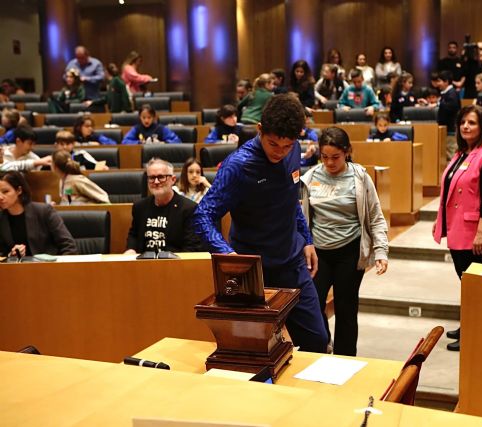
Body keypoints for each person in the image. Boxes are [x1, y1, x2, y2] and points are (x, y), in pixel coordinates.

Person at [193, 93, 328, 353]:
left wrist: (307, 239)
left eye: (287, 145)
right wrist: (228, 255)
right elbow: (203, 216)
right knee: (254, 351)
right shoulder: (238, 166)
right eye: (273, 144)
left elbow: (291, 198)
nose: (280, 152)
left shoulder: (293, 150)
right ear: (259, 130)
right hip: (251, 272)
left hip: (292, 263)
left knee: (317, 341)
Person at [300, 126, 388, 356]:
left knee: (346, 308)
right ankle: (323, 345)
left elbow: (376, 216)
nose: (330, 163)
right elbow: (301, 218)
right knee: (314, 303)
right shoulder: (309, 178)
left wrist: (381, 251)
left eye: (335, 157)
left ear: (347, 152)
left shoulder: (360, 178)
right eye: (325, 157)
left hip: (349, 251)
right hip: (318, 253)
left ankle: (345, 357)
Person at [433, 104, 482, 352]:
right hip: (457, 226)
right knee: (465, 281)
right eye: (463, 122)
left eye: (472, 123)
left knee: (472, 284)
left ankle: (474, 331)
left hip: (473, 231)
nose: (466, 126)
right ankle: (468, 325)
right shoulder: (463, 153)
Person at [124, 158, 202, 254]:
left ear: (173, 180)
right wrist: (131, 249)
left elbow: (192, 247)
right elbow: (134, 235)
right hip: (143, 264)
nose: (156, 182)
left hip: (174, 264)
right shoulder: (140, 207)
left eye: (161, 177)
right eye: (152, 178)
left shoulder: (189, 209)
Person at [0, 171, 77, 257]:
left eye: (5, 191)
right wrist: (11, 255)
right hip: (15, 269)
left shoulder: (44, 211)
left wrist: (59, 268)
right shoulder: (1, 217)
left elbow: (68, 245)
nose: (0, 197)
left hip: (47, 267)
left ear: (19, 190)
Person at [432, 70, 461, 160]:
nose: (437, 84)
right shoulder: (447, 93)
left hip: (450, 128)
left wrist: (440, 103)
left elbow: (451, 108)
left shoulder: (452, 93)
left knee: (451, 151)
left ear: (446, 81)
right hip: (446, 128)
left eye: (439, 81)